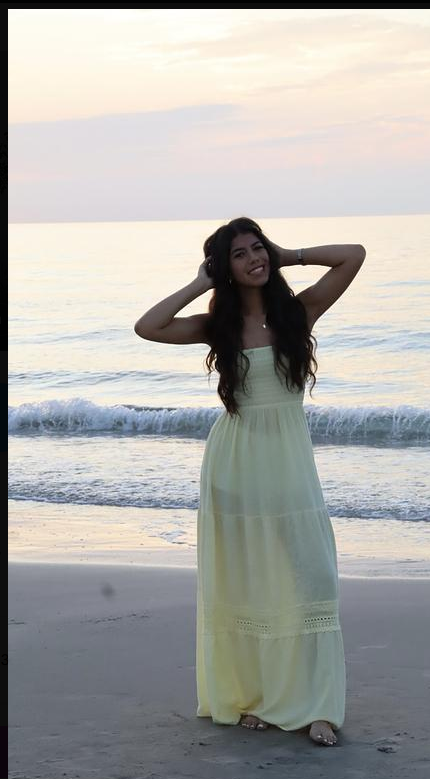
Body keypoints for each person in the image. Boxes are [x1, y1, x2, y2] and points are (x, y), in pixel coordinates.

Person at [134, 216, 365, 746]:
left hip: (290, 464)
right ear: (225, 268)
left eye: (257, 248)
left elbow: (353, 254)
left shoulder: (298, 313)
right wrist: (201, 282)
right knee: (251, 582)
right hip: (235, 465)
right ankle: (254, 700)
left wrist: (288, 255)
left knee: (312, 578)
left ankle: (318, 707)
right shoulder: (218, 326)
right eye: (239, 254)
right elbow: (148, 326)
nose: (253, 259)